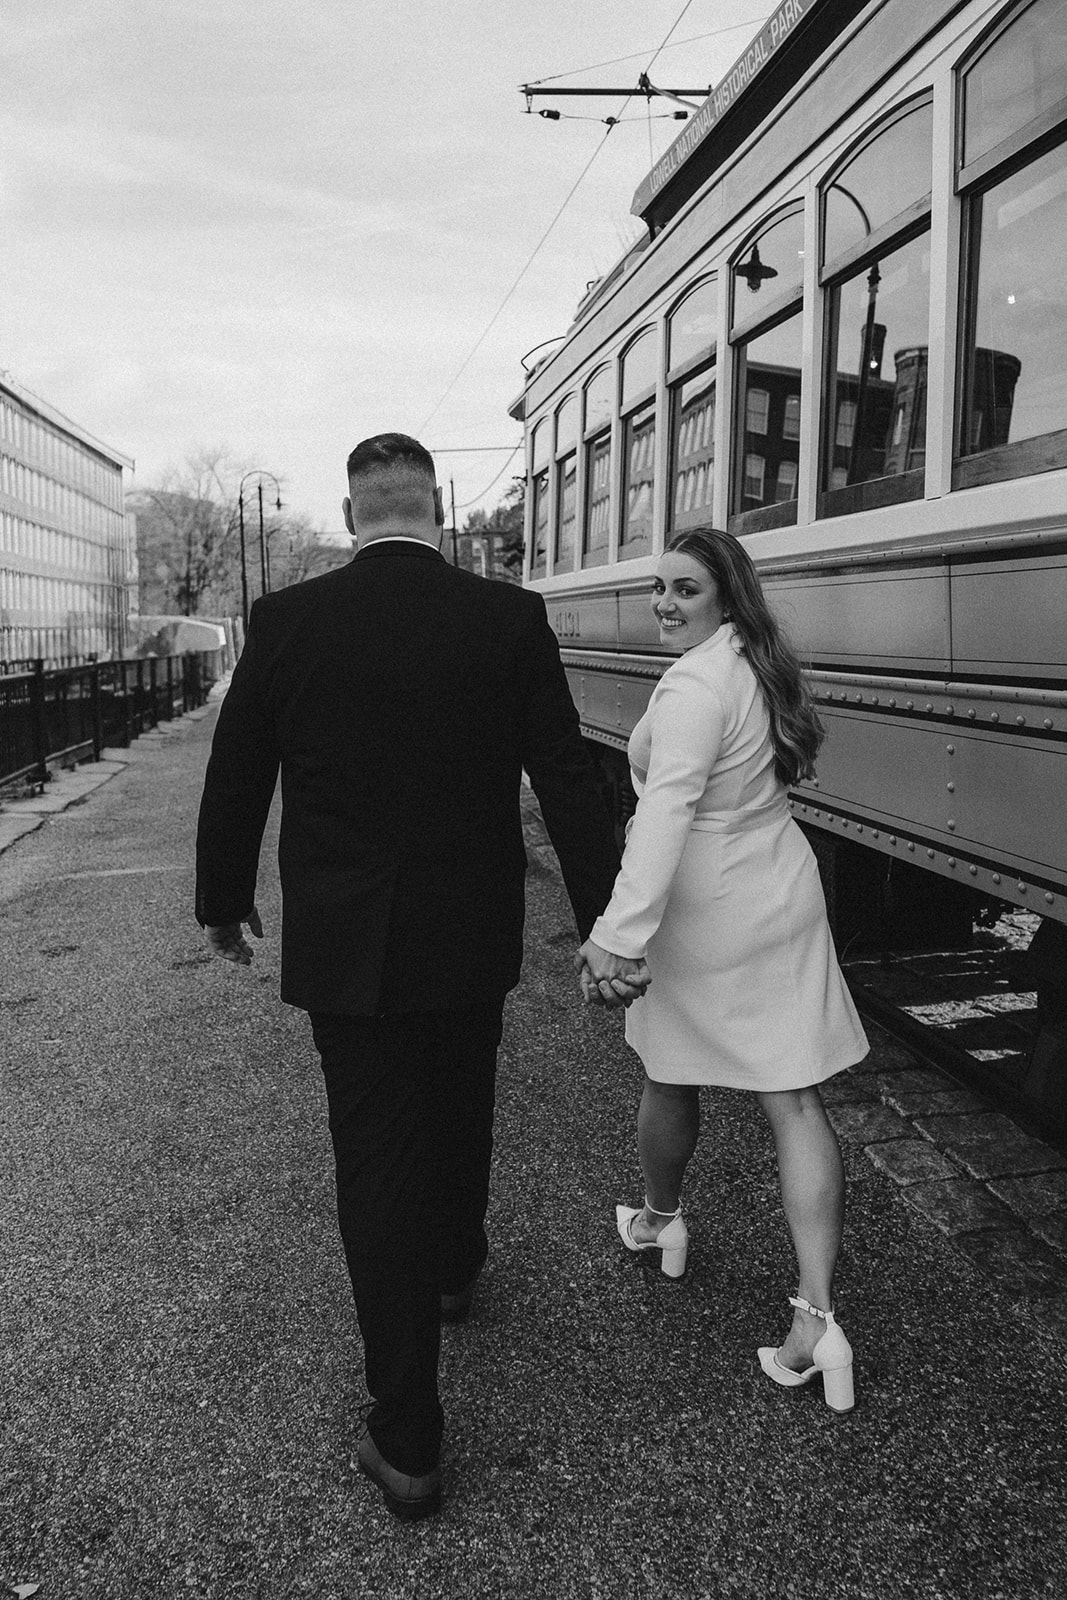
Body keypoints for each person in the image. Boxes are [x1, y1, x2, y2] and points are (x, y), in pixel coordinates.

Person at [195, 433, 645, 1520]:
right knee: (462, 1096)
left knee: (373, 1156)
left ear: (353, 513)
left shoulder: (290, 622)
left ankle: (406, 1436)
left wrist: (223, 895)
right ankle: (453, 1263)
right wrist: (608, 923)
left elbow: (239, 765)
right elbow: (567, 778)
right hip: (467, 926)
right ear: (433, 510)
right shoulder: (506, 618)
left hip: (347, 941)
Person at [577, 527, 868, 1415]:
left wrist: (615, 934)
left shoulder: (697, 684)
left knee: (670, 1069)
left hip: (705, 905)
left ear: (724, 596)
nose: (664, 602)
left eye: (685, 589)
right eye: (658, 586)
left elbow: (665, 811)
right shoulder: (753, 662)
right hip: (778, 884)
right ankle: (817, 1319)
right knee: (793, 1096)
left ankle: (661, 1220)